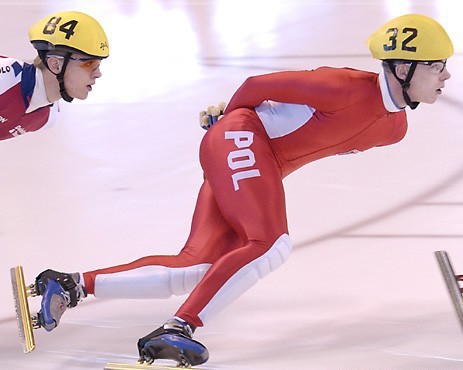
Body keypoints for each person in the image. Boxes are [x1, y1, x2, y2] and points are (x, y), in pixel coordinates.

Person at [32, 14, 453, 367]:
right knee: (271, 244)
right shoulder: (343, 86)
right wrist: (226, 117)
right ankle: (179, 328)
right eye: (438, 66)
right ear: (403, 68)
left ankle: (69, 285)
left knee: (197, 269)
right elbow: (256, 86)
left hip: (255, 160)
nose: (447, 75)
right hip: (239, 138)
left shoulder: (394, 130)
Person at [0, 11, 109, 141]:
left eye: (98, 64)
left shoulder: (48, 118)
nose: (98, 73)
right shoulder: (6, 77)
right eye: (89, 63)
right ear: (56, 65)